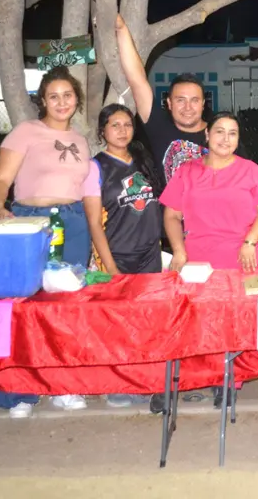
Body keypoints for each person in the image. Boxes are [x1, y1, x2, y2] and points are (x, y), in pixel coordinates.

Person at [0, 67, 101, 417]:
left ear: (76, 100)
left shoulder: (81, 141)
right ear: (43, 101)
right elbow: (0, 179)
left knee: (67, 308)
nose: (62, 102)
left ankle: (63, 386)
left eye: (68, 95)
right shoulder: (26, 132)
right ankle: (20, 391)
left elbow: (85, 191)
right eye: (54, 96)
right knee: (25, 307)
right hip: (30, 222)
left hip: (74, 223)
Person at [84, 104, 164, 410]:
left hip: (149, 256)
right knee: (116, 324)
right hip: (116, 254)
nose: (122, 130)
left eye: (127, 124)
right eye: (114, 125)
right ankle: (117, 383)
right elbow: (94, 223)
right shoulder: (96, 167)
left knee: (147, 323)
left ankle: (145, 380)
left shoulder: (144, 161)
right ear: (102, 131)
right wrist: (111, 267)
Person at [161, 112, 258, 274]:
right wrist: (179, 250)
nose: (226, 139)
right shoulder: (186, 171)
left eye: (232, 133)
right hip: (198, 261)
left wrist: (250, 241)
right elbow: (171, 216)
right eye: (220, 132)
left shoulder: (251, 170)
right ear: (207, 134)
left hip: (245, 257)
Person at [114, 15, 207, 184]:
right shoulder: (160, 127)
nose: (188, 107)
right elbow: (137, 80)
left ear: (203, 104)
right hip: (171, 211)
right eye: (180, 100)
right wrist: (121, 28)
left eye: (194, 100)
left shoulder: (221, 133)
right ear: (169, 103)